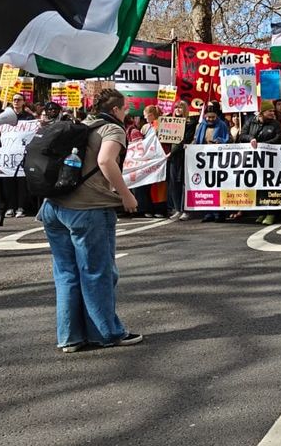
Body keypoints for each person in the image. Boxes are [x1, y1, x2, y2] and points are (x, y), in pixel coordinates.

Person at [40, 88, 144, 353]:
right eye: (125, 108)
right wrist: (126, 195)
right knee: (96, 273)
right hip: (88, 208)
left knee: (66, 274)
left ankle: (70, 337)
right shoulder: (112, 130)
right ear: (116, 109)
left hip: (54, 206)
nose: (127, 112)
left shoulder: (78, 125)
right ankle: (105, 333)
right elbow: (106, 160)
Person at [167, 101, 199, 221]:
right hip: (172, 157)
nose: (177, 110)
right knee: (173, 183)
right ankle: (177, 209)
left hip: (183, 156)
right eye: (175, 107)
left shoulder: (190, 123)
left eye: (180, 108)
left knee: (183, 183)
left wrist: (172, 152)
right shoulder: (169, 122)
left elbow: (185, 140)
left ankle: (185, 209)